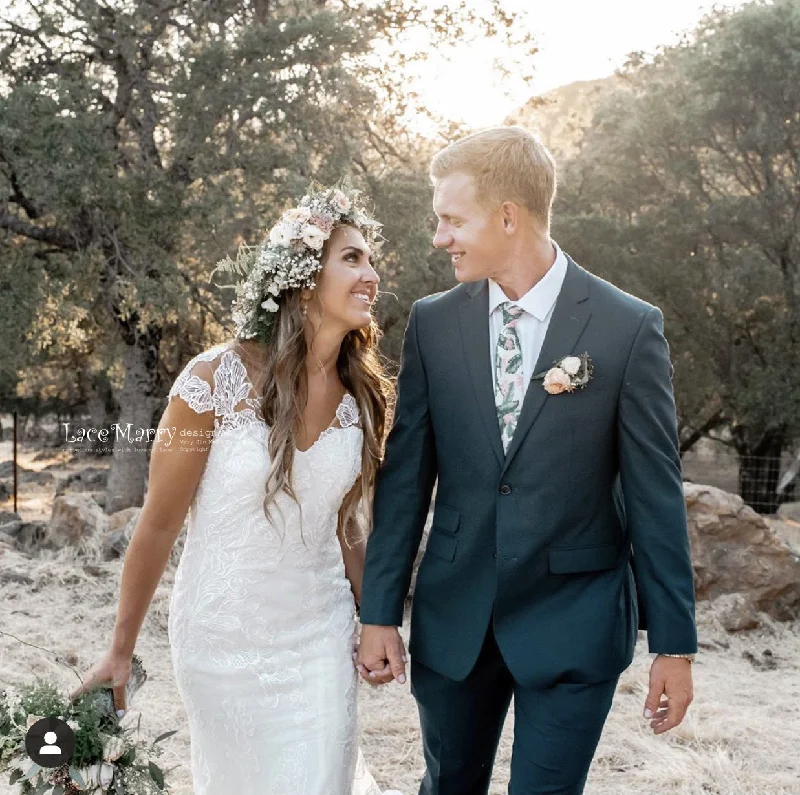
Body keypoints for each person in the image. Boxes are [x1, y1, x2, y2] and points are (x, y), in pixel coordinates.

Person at [356, 126, 698, 795]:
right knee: (447, 784)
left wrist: (675, 645)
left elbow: (657, 494)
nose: (439, 237)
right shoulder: (432, 322)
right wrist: (379, 611)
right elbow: (405, 479)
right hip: (456, 620)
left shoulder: (627, 328)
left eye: (452, 219)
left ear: (508, 216)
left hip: (577, 619)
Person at [71, 184, 401, 795]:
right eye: (351, 258)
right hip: (221, 638)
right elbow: (159, 524)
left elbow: (346, 524)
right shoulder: (210, 382)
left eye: (370, 260)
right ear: (302, 279)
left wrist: (378, 620)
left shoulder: (362, 396)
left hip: (320, 634)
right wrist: (120, 650)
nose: (371, 275)